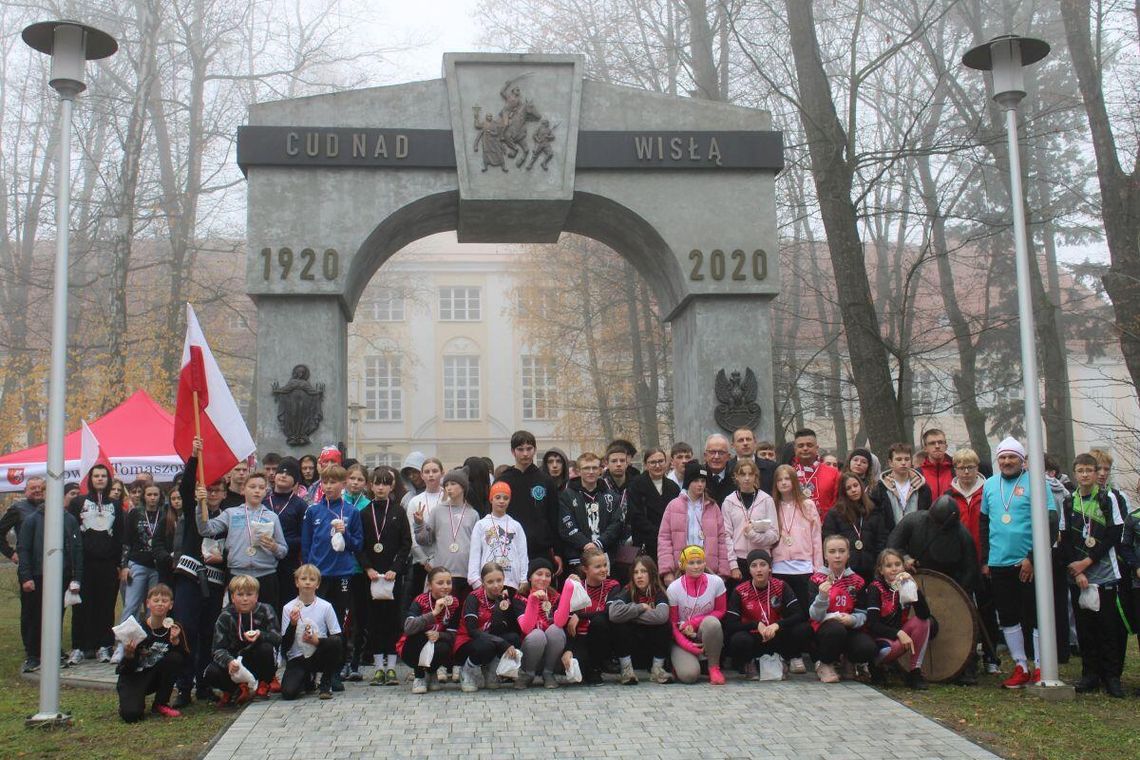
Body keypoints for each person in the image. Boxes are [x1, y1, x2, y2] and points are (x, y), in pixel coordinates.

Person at [980, 436, 1058, 689]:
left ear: (1022, 460)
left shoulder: (1037, 483)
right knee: (1008, 616)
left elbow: (1051, 522)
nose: (1007, 461)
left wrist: (1033, 558)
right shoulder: (990, 485)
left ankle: (1040, 666)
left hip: (1028, 563)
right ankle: (1020, 666)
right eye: (1002, 457)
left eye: (1012, 457)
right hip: (999, 562)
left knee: (1033, 615)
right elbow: (984, 523)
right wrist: (986, 559)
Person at [1059, 453, 1125, 697]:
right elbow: (1064, 540)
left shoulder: (1108, 499)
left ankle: (1111, 677)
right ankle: (1090, 675)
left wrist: (1088, 561)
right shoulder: (1068, 502)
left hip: (1104, 573)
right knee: (1085, 628)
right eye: (1081, 470)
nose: (1085, 475)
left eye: (1089, 470)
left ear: (1097, 473)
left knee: (1107, 628)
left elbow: (1114, 534)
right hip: (1079, 576)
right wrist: (1076, 571)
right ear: (1075, 473)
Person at [302, 464, 364, 691]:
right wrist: (308, 572)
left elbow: (357, 544)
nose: (328, 486)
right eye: (325, 482)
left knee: (337, 624)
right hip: (319, 575)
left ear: (343, 484)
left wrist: (344, 532)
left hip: (343, 574)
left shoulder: (351, 512)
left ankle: (334, 672)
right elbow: (307, 544)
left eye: (333, 482)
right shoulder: (313, 511)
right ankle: (312, 671)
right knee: (314, 622)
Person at [198, 472, 288, 616]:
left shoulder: (272, 517)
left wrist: (274, 546)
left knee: (266, 620)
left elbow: (283, 551)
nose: (257, 490)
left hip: (266, 576)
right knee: (236, 620)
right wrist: (200, 504)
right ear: (243, 490)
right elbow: (206, 529)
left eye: (261, 487)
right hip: (237, 575)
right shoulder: (231, 513)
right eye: (252, 486)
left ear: (266, 491)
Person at [17, 488, 83, 673]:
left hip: (62, 576)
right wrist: (26, 577)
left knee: (57, 615)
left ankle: (53, 650)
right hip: (38, 576)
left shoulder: (69, 519)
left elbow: (77, 549)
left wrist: (76, 577)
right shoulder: (32, 520)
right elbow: (23, 549)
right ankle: (33, 654)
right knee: (34, 616)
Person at [358, 465, 412, 686]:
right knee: (374, 621)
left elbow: (405, 544)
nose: (380, 487)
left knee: (391, 621)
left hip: (392, 577)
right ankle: (378, 667)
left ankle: (391, 667)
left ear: (391, 486)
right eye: (376, 483)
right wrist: (368, 568)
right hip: (371, 576)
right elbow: (359, 545)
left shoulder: (398, 512)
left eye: (385, 483)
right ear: (371, 486)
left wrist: (396, 569)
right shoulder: (363, 513)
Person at [770, 463, 823, 676]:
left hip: (804, 567)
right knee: (782, 615)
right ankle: (790, 655)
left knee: (804, 615)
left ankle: (808, 654)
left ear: (794, 482)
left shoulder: (808, 505)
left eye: (787, 479)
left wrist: (818, 567)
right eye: (780, 479)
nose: (784, 483)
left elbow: (816, 537)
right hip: (780, 567)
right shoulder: (772, 505)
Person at [725, 548, 811, 677]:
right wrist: (755, 625)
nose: (759, 569)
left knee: (803, 628)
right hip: (754, 636)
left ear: (770, 568)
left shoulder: (781, 586)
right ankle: (749, 662)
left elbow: (799, 614)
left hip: (775, 634)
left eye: (763, 565)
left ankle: (789, 657)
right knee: (738, 639)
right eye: (754, 566)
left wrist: (778, 625)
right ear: (749, 570)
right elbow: (730, 625)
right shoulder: (740, 591)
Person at [68, 463, 122, 665]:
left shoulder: (115, 504)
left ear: (109, 480)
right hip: (84, 563)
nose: (100, 479)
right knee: (81, 605)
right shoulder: (79, 501)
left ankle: (104, 646)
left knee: (106, 605)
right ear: (90, 479)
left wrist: (119, 563)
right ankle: (79, 646)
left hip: (107, 564)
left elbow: (119, 535)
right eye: (96, 476)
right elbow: (72, 532)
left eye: (103, 476)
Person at [204, 574, 281, 705]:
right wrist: (229, 662)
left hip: (257, 658)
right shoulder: (225, 616)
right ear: (233, 597)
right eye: (240, 595)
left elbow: (277, 638)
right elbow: (217, 649)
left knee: (266, 648)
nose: (245, 599)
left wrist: (261, 635)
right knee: (211, 672)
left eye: (249, 594)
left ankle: (263, 684)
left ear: (256, 596)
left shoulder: (266, 609)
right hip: (235, 661)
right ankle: (234, 689)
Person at [115, 584, 188, 721]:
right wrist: (129, 654)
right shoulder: (137, 629)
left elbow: (184, 660)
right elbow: (126, 668)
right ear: (148, 603)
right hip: (133, 677)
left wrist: (176, 642)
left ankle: (161, 703)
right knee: (131, 715)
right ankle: (130, 703)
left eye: (164, 601)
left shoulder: (175, 628)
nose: (160, 604)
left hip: (155, 675)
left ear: (171, 605)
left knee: (175, 658)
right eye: (156, 601)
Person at [808, 535, 874, 683]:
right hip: (826, 628)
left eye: (841, 551)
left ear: (848, 553)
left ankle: (848, 661)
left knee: (867, 647)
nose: (837, 556)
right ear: (825, 554)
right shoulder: (816, 579)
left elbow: (863, 613)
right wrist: (822, 597)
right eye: (832, 551)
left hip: (850, 627)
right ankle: (825, 663)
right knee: (836, 630)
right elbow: (814, 616)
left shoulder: (857, 581)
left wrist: (852, 619)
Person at [863, 548, 932, 690]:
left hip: (899, 632)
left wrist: (914, 588)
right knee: (895, 647)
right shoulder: (875, 588)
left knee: (923, 623)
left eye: (897, 564)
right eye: (888, 566)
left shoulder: (905, 585)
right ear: (881, 570)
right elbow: (873, 624)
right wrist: (899, 634)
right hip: (880, 637)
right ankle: (876, 666)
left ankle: (915, 671)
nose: (894, 569)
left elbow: (924, 614)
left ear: (903, 566)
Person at [496, 431, 563, 574]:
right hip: (510, 547)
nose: (525, 453)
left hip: (541, 550)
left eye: (529, 449)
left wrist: (558, 551)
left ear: (535, 450)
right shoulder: (503, 480)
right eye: (520, 449)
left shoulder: (545, 480)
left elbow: (554, 517)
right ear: (513, 452)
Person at [657, 461, 733, 583]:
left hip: (708, 571)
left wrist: (723, 572)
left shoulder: (713, 507)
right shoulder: (673, 506)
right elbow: (664, 540)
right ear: (688, 482)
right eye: (696, 481)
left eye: (703, 481)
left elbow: (722, 540)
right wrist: (667, 572)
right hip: (681, 571)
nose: (700, 485)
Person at [115, 483, 165, 660]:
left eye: (155, 494)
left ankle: (150, 645)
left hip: (158, 566)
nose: (152, 498)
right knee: (131, 605)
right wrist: (125, 565)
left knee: (155, 607)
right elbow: (127, 541)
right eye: (149, 494)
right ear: (144, 496)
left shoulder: (165, 514)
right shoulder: (135, 513)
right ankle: (122, 645)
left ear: (160, 496)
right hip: (138, 563)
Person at [415, 468, 480, 604]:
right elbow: (424, 540)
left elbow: (477, 545)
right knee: (442, 611)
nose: (449, 488)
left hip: (465, 573)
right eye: (446, 485)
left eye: (453, 484)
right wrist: (420, 524)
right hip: (442, 573)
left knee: (461, 612)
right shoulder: (437, 511)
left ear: (463, 487)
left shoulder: (472, 513)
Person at [280, 564, 344, 700]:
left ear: (318, 584)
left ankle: (325, 682)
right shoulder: (288, 608)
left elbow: (337, 637)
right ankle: (308, 679)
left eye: (312, 579)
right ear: (297, 582)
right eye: (303, 579)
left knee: (335, 642)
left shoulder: (326, 606)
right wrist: (292, 624)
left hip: (318, 653)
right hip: (297, 657)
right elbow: (285, 645)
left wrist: (317, 641)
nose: (308, 582)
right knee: (288, 693)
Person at [455, 562, 522, 691]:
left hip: (491, 639)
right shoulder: (473, 598)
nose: (496, 585)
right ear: (483, 582)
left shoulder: (505, 598)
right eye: (490, 582)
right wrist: (502, 643)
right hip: (468, 642)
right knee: (487, 645)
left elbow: (510, 627)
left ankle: (491, 669)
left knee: (514, 638)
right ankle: (467, 671)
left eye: (499, 580)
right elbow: (472, 631)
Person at [666, 545, 727, 684]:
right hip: (681, 637)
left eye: (699, 562)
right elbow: (673, 624)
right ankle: (678, 664)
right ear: (682, 565)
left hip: (703, 631)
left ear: (705, 563)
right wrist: (687, 644)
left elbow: (721, 611)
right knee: (689, 676)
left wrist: (693, 622)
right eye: (691, 563)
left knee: (712, 622)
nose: (696, 566)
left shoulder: (716, 582)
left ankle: (714, 668)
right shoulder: (673, 588)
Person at [607, 555, 672, 684]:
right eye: (636, 572)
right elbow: (613, 614)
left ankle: (657, 669)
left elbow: (661, 616)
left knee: (665, 624)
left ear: (652, 574)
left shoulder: (658, 592)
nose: (639, 576)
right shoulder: (627, 590)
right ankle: (626, 670)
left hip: (651, 646)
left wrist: (629, 614)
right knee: (620, 624)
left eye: (643, 571)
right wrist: (640, 607)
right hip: (631, 646)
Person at [3, 477, 45, 669]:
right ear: (25, 490)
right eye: (33, 488)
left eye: (41, 488)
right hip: (29, 568)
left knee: (51, 611)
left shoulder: (51, 508)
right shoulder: (18, 509)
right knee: (31, 612)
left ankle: (49, 648)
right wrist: (11, 553)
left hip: (51, 569)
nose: (37, 491)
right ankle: (32, 653)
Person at [396, 566, 460, 694]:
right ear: (430, 585)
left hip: (436, 642)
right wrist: (434, 613)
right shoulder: (421, 600)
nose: (445, 586)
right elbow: (408, 628)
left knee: (445, 645)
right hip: (412, 646)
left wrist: (439, 635)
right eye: (440, 583)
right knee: (420, 636)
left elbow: (454, 633)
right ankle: (419, 676)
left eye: (448, 582)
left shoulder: (454, 603)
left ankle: (432, 672)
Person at [562, 547, 619, 685]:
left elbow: (608, 611)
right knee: (577, 672)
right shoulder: (577, 586)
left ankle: (596, 669)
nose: (604, 569)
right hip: (579, 638)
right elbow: (566, 619)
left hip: (601, 637)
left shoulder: (612, 585)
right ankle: (585, 666)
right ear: (585, 569)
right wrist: (568, 649)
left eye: (605, 565)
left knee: (600, 621)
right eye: (598, 566)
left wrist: (580, 616)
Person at [559, 452, 622, 570]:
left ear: (600, 470)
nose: (591, 471)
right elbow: (566, 526)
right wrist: (587, 545)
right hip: (577, 558)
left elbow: (617, 524)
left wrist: (599, 543)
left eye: (594, 468)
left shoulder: (612, 496)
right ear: (578, 471)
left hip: (606, 557)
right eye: (586, 468)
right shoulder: (566, 496)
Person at [263, 457, 308, 614]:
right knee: (266, 604)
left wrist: (280, 543)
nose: (283, 475)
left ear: (295, 481)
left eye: (288, 474)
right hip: (265, 561)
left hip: (289, 563)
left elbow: (305, 537)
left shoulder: (300, 505)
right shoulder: (263, 501)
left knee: (286, 605)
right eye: (280, 472)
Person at [514, 558, 568, 689]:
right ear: (530, 577)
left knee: (556, 629)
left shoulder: (555, 597)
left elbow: (561, 622)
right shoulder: (520, 597)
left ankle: (548, 673)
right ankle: (528, 674)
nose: (543, 579)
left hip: (551, 654)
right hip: (528, 652)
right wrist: (532, 601)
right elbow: (526, 628)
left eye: (548, 575)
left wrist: (568, 589)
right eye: (539, 574)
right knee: (537, 634)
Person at [823, 473, 886, 583]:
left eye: (855, 485)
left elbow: (881, 540)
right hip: (846, 571)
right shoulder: (835, 514)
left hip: (871, 569)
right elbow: (829, 541)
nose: (853, 490)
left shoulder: (873, 511)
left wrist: (878, 565)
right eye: (848, 488)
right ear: (843, 492)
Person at [721, 459, 779, 577]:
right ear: (736, 476)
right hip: (739, 560)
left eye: (750, 474)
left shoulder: (766, 500)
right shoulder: (729, 502)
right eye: (743, 474)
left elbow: (774, 534)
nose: (747, 478)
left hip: (761, 560)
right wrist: (733, 565)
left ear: (755, 476)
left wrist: (753, 535)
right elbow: (726, 535)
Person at [469, 481, 528, 591]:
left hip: (511, 582)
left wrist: (523, 579)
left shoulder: (516, 525)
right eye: (498, 497)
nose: (501, 501)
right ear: (491, 499)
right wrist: (475, 580)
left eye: (505, 498)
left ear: (509, 501)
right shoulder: (481, 525)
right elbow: (475, 554)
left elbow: (522, 554)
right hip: (488, 582)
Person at [627, 447, 680, 564]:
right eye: (652, 462)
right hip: (646, 543)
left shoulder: (673, 487)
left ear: (667, 463)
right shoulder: (636, 485)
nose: (657, 465)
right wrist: (658, 533)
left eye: (661, 461)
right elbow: (636, 516)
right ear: (646, 465)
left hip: (669, 544)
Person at [405, 457, 444, 602]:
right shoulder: (415, 501)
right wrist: (424, 560)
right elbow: (411, 533)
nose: (431, 475)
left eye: (435, 471)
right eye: (427, 472)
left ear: (442, 473)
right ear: (422, 475)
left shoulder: (448, 498)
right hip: (422, 563)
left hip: (444, 560)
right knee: (423, 603)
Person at [870, 442, 932, 532]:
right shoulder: (880, 488)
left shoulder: (922, 487)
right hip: (890, 538)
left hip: (917, 538)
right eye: (899, 459)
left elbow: (927, 516)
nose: (903, 463)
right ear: (890, 462)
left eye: (907, 459)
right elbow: (878, 519)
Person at [791, 428, 840, 519]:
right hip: (796, 529)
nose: (805, 448)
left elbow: (838, 504)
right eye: (801, 446)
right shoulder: (789, 474)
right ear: (795, 449)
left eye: (809, 445)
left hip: (826, 528)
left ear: (816, 448)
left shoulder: (833, 473)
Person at [701, 434, 735, 505]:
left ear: (728, 456)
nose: (716, 457)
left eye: (721, 453)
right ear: (705, 455)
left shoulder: (736, 476)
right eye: (712, 452)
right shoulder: (699, 476)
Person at [919, 429, 954, 497]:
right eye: (932, 443)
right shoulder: (918, 474)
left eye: (940, 442)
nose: (937, 446)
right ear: (925, 448)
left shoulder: (957, 470)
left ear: (946, 446)